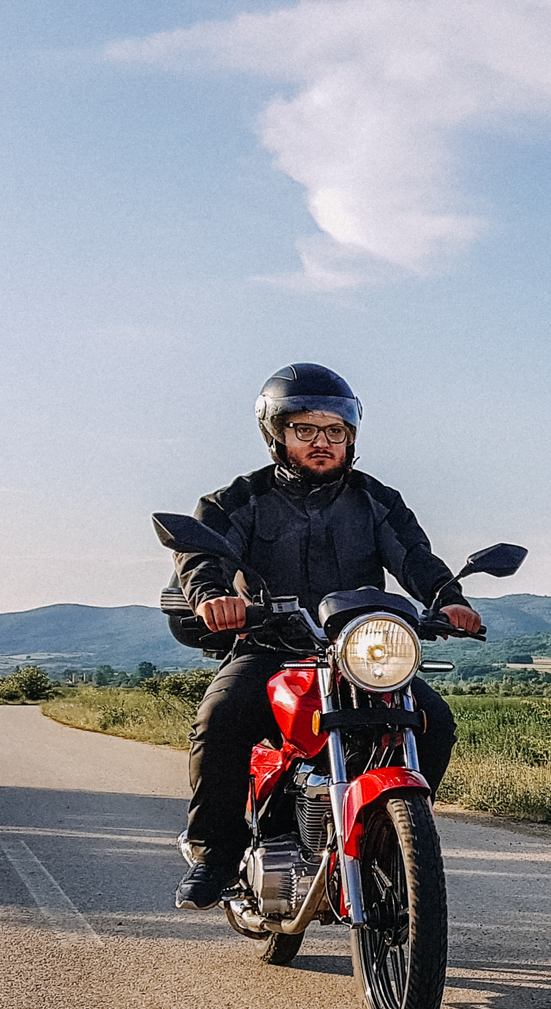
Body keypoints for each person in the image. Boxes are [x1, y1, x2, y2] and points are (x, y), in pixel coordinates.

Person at [170, 363, 484, 910]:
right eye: (306, 430)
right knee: (219, 718)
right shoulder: (235, 501)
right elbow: (202, 555)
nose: (322, 442)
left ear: (351, 437)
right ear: (277, 434)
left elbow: (414, 558)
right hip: (270, 650)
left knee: (433, 724)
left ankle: (393, 841)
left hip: (361, 655)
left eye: (335, 431)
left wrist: (448, 599)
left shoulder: (376, 500)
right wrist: (212, 597)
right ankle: (217, 852)